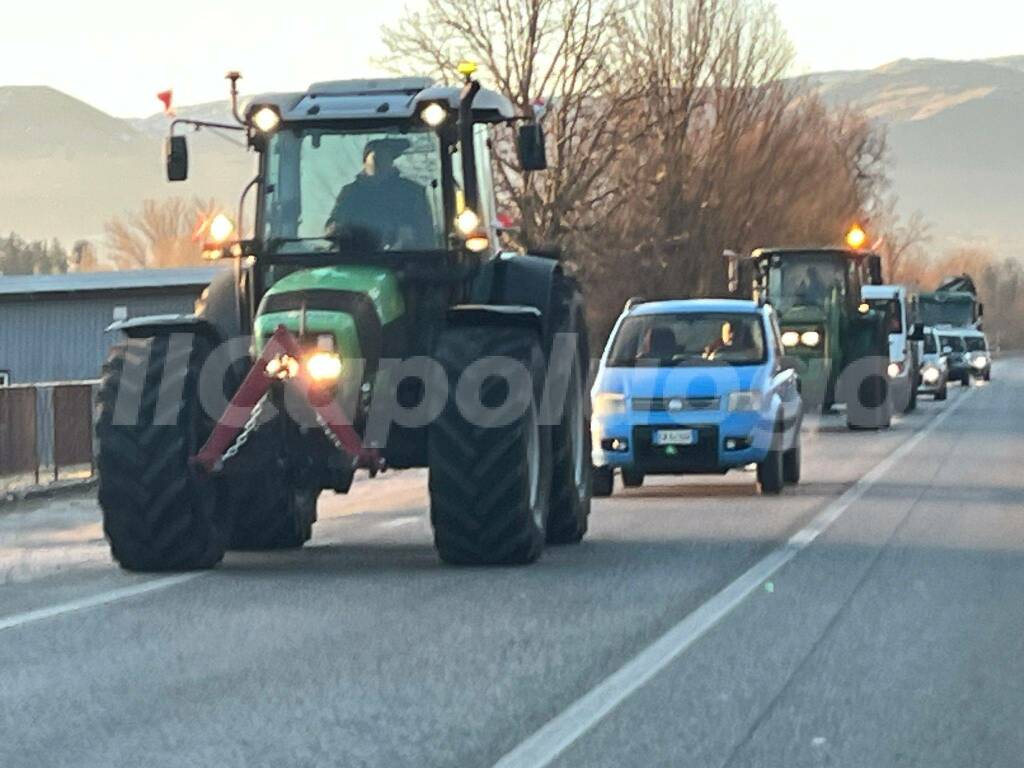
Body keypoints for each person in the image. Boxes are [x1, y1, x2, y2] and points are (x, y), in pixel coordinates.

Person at [325, 138, 435, 249]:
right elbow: (333, 226)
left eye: (385, 157)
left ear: (391, 161)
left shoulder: (412, 193)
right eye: (376, 158)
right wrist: (335, 229)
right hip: (356, 260)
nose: (381, 162)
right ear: (365, 162)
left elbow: (427, 237)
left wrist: (409, 239)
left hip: (404, 262)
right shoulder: (350, 194)